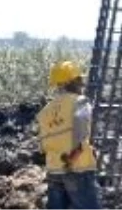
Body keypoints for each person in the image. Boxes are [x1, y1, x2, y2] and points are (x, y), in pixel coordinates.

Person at [36, 60, 102, 210]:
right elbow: (81, 128)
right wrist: (76, 152)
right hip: (77, 167)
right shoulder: (79, 102)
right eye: (79, 79)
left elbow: (42, 144)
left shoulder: (46, 111)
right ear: (74, 81)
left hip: (54, 169)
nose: (82, 83)